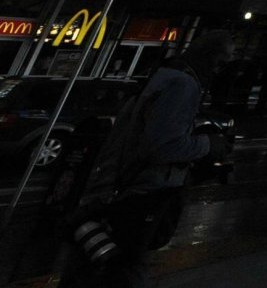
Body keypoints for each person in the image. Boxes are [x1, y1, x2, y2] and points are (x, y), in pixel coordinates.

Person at [64, 30, 234, 288]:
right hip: (139, 196)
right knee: (124, 270)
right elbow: (163, 146)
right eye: (223, 63)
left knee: (95, 267)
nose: (221, 71)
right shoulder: (183, 85)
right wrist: (210, 145)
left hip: (115, 188)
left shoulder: (161, 76)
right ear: (212, 59)